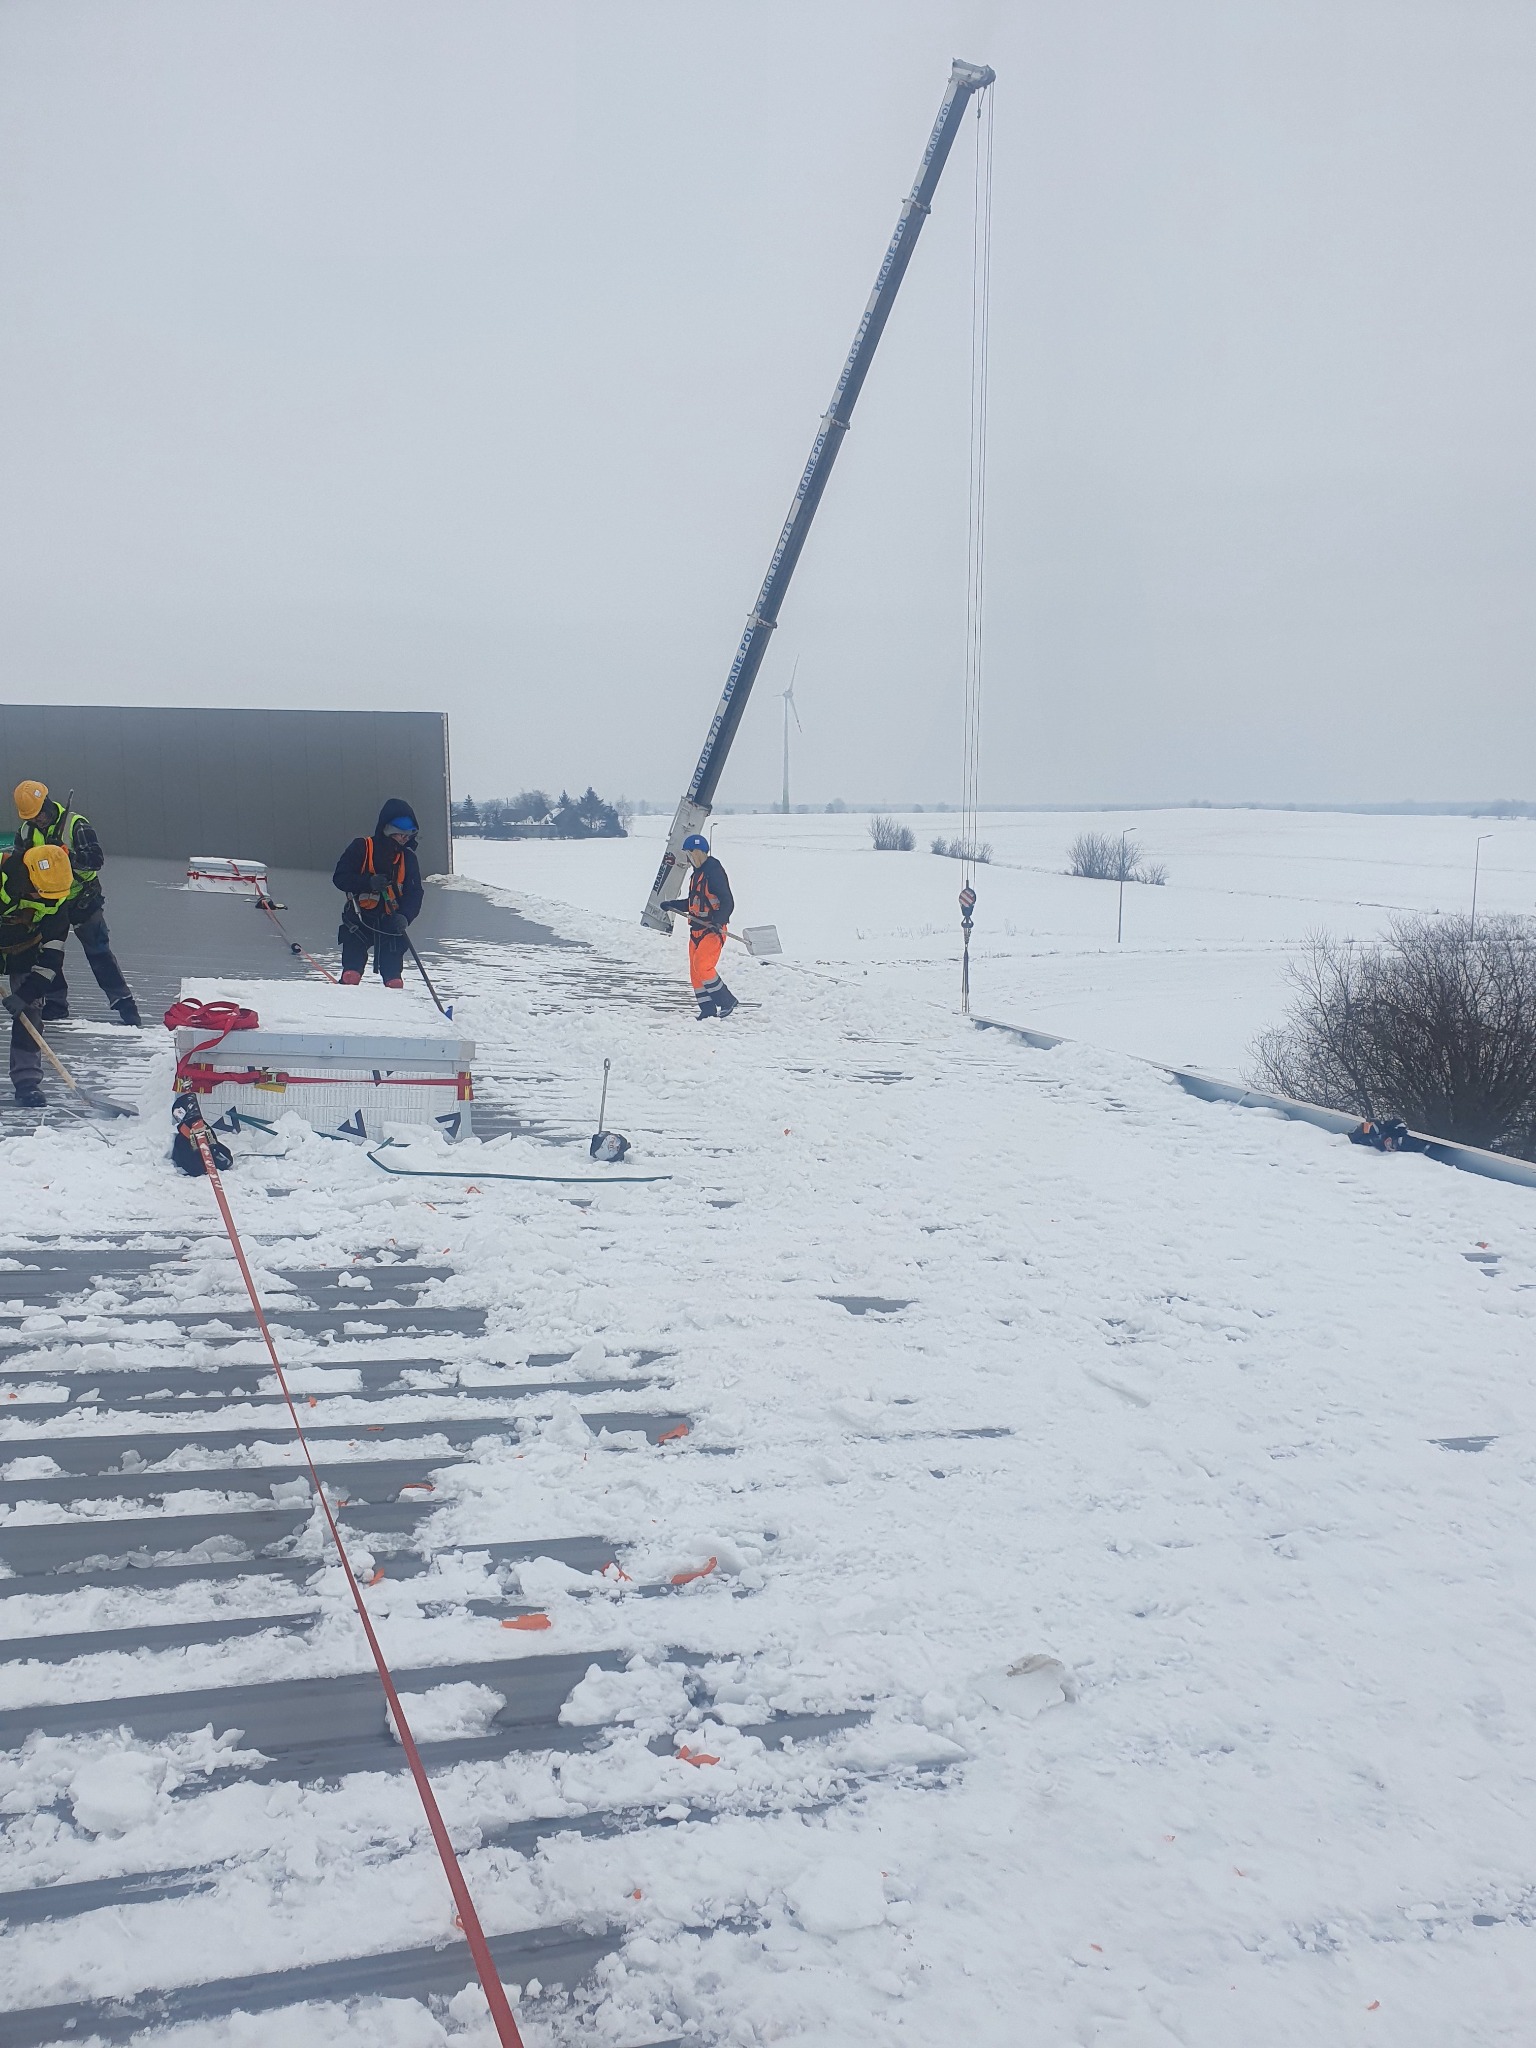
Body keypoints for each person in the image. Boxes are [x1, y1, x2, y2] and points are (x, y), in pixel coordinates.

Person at [11, 781, 141, 1026]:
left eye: (40, 813)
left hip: (83, 899)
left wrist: (68, 857)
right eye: (32, 816)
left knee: (98, 952)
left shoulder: (75, 825)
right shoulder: (26, 833)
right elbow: (19, 868)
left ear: (47, 803)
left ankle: (125, 1005)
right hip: (50, 903)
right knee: (48, 954)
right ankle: (56, 1004)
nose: (38, 819)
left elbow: (95, 860)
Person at [0, 843, 75, 1106]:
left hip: (24, 949)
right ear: (27, 877)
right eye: (41, 895)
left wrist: (25, 995)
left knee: (30, 1010)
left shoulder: (57, 900)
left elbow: (52, 960)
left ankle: (27, 1082)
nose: (46, 902)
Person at [333, 799, 424, 987]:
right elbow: (340, 877)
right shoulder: (362, 847)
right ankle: (344, 1002)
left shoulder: (408, 858)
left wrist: (405, 916)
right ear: (387, 830)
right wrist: (368, 882)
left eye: (407, 836)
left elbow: (415, 893)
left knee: (394, 979)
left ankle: (395, 1005)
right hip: (359, 920)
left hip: (392, 922)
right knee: (352, 973)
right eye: (400, 835)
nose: (403, 840)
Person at [661, 832, 738, 1019]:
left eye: (689, 853)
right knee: (695, 972)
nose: (687, 858)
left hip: (712, 930)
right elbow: (694, 902)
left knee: (703, 966)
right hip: (696, 929)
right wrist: (673, 904)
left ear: (697, 852)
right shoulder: (697, 874)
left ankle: (727, 1001)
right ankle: (707, 1009)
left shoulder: (714, 872)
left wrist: (718, 921)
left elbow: (728, 902)